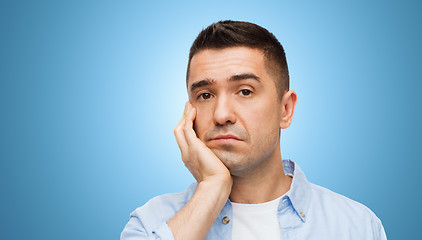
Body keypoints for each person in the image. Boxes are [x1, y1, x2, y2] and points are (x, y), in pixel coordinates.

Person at [121, 20, 387, 240]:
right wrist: (213, 187)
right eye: (205, 95)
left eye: (245, 91)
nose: (222, 114)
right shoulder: (150, 223)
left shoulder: (358, 227)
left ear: (285, 109)